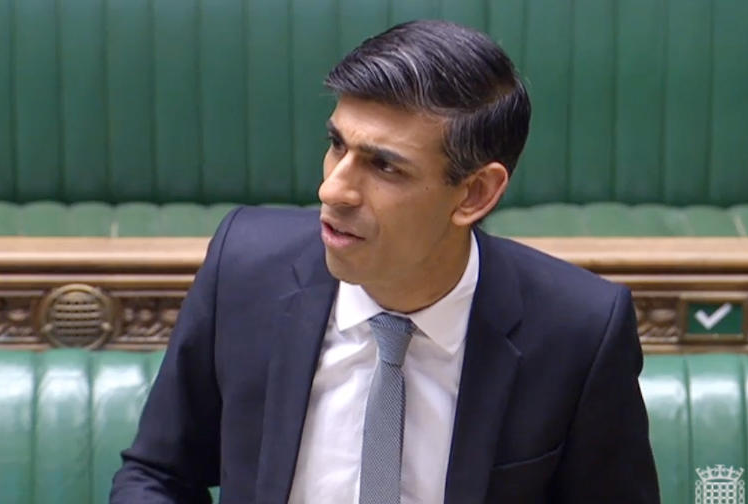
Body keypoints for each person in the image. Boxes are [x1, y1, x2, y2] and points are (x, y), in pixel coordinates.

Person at [110, 20, 659, 504]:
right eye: (336, 146)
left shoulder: (579, 332)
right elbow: (158, 475)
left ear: (474, 194)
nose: (333, 189)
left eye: (384, 167)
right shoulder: (245, 267)